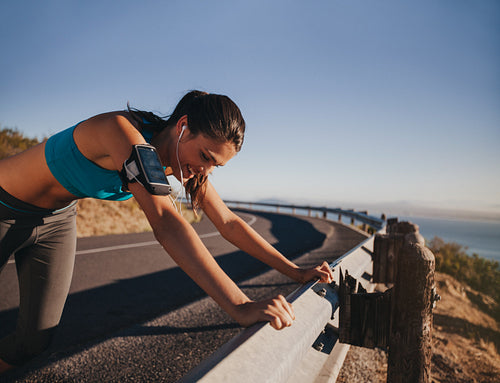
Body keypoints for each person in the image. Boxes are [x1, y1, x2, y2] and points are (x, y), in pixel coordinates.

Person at [0, 90, 333, 373]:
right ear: (183, 126)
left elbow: (229, 223)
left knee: (34, 342)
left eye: (216, 165)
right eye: (205, 156)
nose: (205, 170)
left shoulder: (183, 165)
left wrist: (296, 271)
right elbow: (164, 221)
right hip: (4, 205)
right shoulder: (121, 132)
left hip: (56, 221)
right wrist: (240, 306)